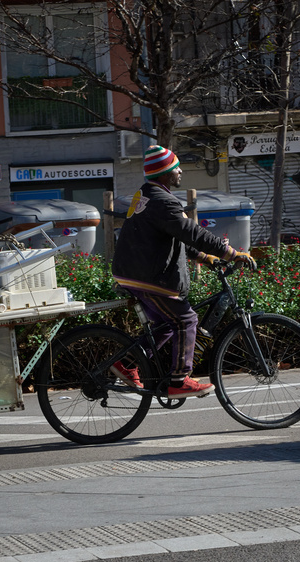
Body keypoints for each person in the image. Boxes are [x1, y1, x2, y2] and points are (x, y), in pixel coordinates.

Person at [112, 145, 256, 398]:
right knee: (186, 319)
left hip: (132, 272)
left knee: (166, 325)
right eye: (176, 167)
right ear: (166, 172)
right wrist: (232, 254)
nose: (180, 172)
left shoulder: (146, 196)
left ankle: (126, 364)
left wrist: (206, 257)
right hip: (148, 277)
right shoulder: (164, 201)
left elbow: (175, 238)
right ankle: (179, 381)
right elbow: (192, 233)